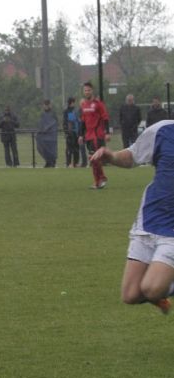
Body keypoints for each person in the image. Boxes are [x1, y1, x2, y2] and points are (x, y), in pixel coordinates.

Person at [89, 119, 174, 315]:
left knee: (152, 289)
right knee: (131, 294)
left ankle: (159, 288)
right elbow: (133, 156)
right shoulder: (163, 130)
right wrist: (111, 156)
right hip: (149, 219)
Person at [79, 81, 110, 189]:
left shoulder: (98, 104)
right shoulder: (84, 105)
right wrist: (81, 135)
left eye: (88, 90)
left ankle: (99, 180)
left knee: (94, 158)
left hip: (97, 135)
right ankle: (101, 179)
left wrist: (107, 133)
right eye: (85, 90)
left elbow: (105, 118)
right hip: (88, 135)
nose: (87, 92)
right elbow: (83, 121)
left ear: (92, 91)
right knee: (93, 158)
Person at [35, 100, 58, 168]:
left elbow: (54, 123)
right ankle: (48, 161)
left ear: (50, 105)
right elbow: (41, 124)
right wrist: (40, 131)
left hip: (51, 136)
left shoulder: (53, 114)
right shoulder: (43, 114)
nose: (46, 106)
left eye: (47, 105)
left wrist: (47, 128)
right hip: (44, 136)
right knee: (43, 148)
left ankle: (52, 162)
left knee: (52, 149)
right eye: (45, 105)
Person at [63, 97, 81, 167]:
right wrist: (66, 132)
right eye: (73, 102)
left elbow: (78, 121)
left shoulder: (76, 111)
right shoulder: (66, 111)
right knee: (69, 149)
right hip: (70, 133)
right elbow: (65, 122)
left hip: (76, 132)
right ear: (71, 103)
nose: (74, 104)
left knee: (76, 148)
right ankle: (69, 163)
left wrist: (79, 132)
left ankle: (76, 163)